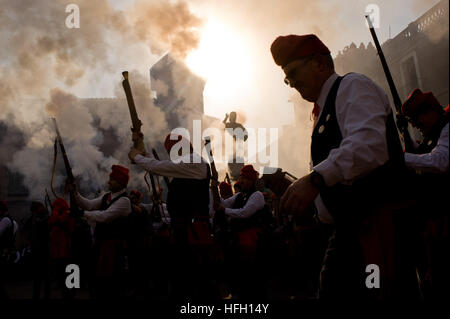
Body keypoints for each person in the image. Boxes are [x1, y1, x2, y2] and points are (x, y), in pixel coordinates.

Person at [270, 34, 405, 299]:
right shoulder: (322, 109)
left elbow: (368, 146)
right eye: (287, 78)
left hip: (375, 226)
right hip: (349, 230)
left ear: (319, 63)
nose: (292, 83)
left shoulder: (352, 86)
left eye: (294, 72)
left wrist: (314, 180)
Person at [129, 133, 216, 299]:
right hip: (185, 231)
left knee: (198, 281)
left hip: (194, 231)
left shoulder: (193, 161)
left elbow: (158, 166)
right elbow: (161, 165)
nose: (170, 155)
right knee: (185, 280)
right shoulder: (188, 164)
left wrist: (138, 157)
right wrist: (140, 146)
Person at [401, 88, 449, 299]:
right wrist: (404, 137)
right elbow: (421, 155)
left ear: (431, 111)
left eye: (416, 118)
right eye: (410, 120)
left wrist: (399, 158)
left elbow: (440, 162)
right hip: (435, 222)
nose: (415, 124)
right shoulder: (434, 135)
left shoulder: (447, 128)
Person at [70, 164, 132, 298]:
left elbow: (105, 217)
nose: (109, 181)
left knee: (111, 282)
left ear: (120, 182)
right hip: (102, 243)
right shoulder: (107, 196)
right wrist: (75, 192)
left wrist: (82, 213)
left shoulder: (125, 201)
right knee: (100, 281)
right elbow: (89, 205)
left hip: (114, 247)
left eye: (113, 179)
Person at [215, 164, 271, 298]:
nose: (242, 181)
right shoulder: (239, 195)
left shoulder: (257, 195)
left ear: (251, 180)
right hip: (239, 239)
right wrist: (213, 190)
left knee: (251, 272)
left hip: (252, 239)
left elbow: (245, 213)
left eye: (244, 178)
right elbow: (223, 203)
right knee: (240, 271)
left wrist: (225, 211)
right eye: (241, 178)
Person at [48, 198, 75, 299]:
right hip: (59, 250)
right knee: (63, 275)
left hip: (66, 248)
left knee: (70, 273)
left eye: (56, 205)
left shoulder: (67, 214)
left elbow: (55, 220)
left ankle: (71, 294)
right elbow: (51, 222)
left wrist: (55, 210)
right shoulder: (63, 213)